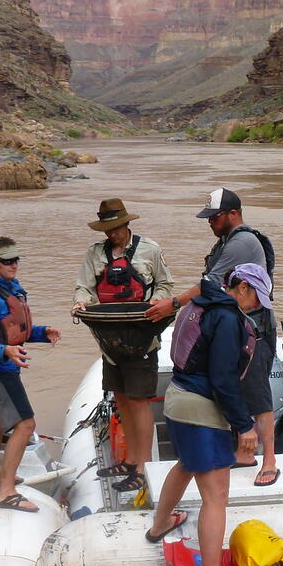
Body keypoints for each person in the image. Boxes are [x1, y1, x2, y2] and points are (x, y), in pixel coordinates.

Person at [146, 188, 280, 487]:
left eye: (215, 216)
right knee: (235, 385)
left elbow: (209, 284)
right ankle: (244, 454)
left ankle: (269, 458)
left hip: (256, 329)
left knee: (258, 394)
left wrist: (174, 304)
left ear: (233, 214)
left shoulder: (243, 241)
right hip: (236, 325)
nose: (210, 222)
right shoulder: (226, 241)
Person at [146, 263, 271, 566]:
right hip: (201, 408)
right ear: (242, 287)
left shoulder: (200, 301)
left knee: (186, 464)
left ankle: (160, 524)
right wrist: (244, 425)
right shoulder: (227, 318)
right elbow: (224, 379)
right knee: (216, 497)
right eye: (257, 297)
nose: (257, 307)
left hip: (177, 397)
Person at [72, 198, 175, 491]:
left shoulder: (150, 250)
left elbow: (166, 285)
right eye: (107, 228)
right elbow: (84, 286)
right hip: (110, 341)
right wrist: (80, 301)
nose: (112, 234)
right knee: (121, 398)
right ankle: (129, 460)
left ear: (127, 224)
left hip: (141, 337)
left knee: (140, 401)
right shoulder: (95, 253)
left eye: (116, 227)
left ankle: (142, 468)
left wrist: (157, 302)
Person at [0, 237, 61, 512]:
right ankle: (6, 492)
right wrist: (4, 351)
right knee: (26, 425)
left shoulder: (9, 288)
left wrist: (43, 333)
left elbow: (16, 329)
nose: (13, 265)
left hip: (6, 365)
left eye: (16, 259)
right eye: (6, 260)